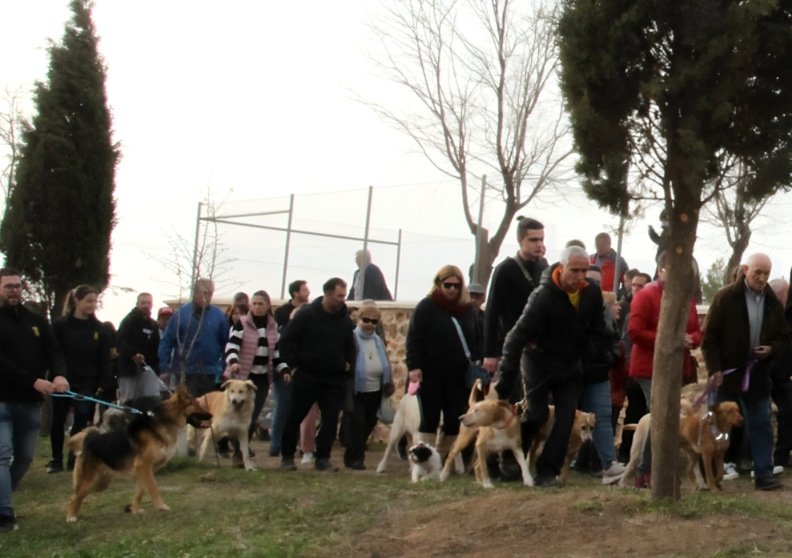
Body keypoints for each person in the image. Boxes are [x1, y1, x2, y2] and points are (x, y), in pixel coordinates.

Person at [496, 246, 607, 487]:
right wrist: (505, 379)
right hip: (539, 361)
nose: (580, 276)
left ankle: (547, 472)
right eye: (574, 270)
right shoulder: (542, 296)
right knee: (536, 414)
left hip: (570, 365)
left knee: (566, 420)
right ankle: (511, 457)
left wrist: (602, 352)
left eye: (584, 270)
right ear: (561, 268)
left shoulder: (591, 292)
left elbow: (598, 326)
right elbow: (515, 337)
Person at [701, 253, 788, 491]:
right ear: (746, 269)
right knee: (715, 426)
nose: (762, 278)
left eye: (766, 274)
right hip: (726, 376)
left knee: (761, 423)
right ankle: (710, 476)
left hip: (758, 376)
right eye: (757, 272)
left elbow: (783, 337)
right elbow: (709, 338)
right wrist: (715, 369)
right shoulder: (726, 297)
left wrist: (771, 350)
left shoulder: (773, 301)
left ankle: (764, 475)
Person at [0, 268, 68, 532]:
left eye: (17, 286)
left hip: (30, 403)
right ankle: (5, 514)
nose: (14, 290)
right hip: (2, 401)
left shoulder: (36, 321)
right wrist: (34, 381)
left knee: (26, 458)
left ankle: (1, 500)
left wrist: (60, 374)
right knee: (3, 456)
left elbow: (53, 350)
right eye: (8, 286)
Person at [627, 253, 702, 488]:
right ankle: (644, 473)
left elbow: (697, 332)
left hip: (677, 368)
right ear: (661, 270)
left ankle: (662, 470)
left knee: (668, 417)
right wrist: (671, 339)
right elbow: (634, 331)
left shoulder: (687, 298)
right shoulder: (645, 295)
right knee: (661, 416)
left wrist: (692, 339)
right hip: (649, 368)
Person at [279, 278, 356, 472]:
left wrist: (348, 369)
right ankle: (287, 456)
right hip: (307, 377)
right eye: (339, 295)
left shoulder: (346, 322)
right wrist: (293, 365)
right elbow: (286, 341)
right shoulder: (306, 316)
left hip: (334, 380)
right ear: (328, 294)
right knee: (295, 417)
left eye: (344, 296)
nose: (342, 300)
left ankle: (323, 458)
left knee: (330, 422)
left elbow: (350, 349)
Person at [406, 265, 478, 461]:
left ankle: (443, 457)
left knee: (455, 416)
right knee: (429, 418)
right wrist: (414, 366)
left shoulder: (467, 310)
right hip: (430, 372)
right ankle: (424, 458)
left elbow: (476, 338)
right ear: (439, 284)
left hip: (457, 373)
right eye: (447, 285)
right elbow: (414, 338)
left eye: (456, 285)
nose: (452, 289)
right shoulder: (427, 306)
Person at [49, 285, 113, 474]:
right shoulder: (60, 326)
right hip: (62, 380)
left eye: (95, 301)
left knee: (82, 415)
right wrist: (54, 375)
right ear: (76, 300)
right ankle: (56, 459)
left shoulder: (100, 329)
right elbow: (53, 352)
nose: (92, 305)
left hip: (87, 381)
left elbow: (104, 358)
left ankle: (74, 456)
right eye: (88, 301)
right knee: (58, 419)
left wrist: (104, 381)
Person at [224, 290, 289, 462]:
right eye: (255, 303)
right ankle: (234, 446)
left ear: (268, 306)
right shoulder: (242, 324)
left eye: (261, 303)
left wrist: (284, 370)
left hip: (261, 378)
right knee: (235, 414)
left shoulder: (273, 327)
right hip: (243, 376)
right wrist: (233, 362)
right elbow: (231, 346)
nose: (258, 307)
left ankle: (240, 452)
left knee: (253, 416)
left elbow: (276, 355)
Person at [483, 217, 548, 380]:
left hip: (540, 347)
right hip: (515, 346)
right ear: (521, 240)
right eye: (534, 240)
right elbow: (492, 311)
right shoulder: (505, 269)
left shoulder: (544, 267)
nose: (539, 244)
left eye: (541, 239)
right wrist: (490, 353)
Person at [578, 287, 625, 484]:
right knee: (565, 418)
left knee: (603, 417)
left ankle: (609, 465)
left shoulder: (604, 312)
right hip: (571, 373)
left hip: (598, 373)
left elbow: (613, 337)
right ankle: (552, 466)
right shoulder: (566, 303)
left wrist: (610, 357)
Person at [158, 278, 230, 397]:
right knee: (187, 407)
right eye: (205, 293)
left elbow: (225, 344)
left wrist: (223, 367)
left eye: (211, 293)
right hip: (185, 371)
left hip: (210, 372)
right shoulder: (180, 315)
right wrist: (165, 368)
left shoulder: (219, 316)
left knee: (207, 410)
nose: (209, 297)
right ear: (196, 292)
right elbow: (166, 342)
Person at [343, 303, 393, 470]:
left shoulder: (378, 340)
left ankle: (351, 454)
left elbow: (385, 362)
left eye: (374, 321)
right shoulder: (351, 338)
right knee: (357, 423)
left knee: (369, 423)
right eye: (366, 320)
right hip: (356, 388)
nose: (370, 324)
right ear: (358, 319)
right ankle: (357, 458)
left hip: (376, 389)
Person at [116, 293, 161, 402]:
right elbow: (121, 342)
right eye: (143, 302)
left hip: (148, 370)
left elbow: (157, 348)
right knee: (128, 402)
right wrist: (134, 354)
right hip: (129, 370)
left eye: (148, 303)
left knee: (150, 401)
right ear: (137, 304)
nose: (146, 305)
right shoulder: (129, 321)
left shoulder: (153, 325)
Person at [769, 278, 792, 469]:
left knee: (788, 412)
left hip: (783, 375)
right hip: (768, 373)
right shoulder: (771, 314)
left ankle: (782, 456)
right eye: (787, 293)